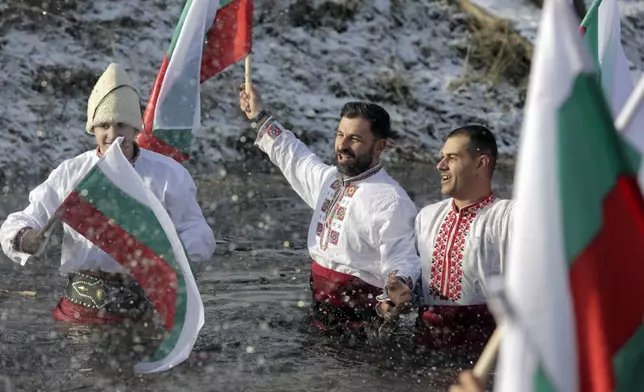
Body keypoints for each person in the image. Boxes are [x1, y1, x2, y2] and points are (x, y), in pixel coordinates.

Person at [0, 63, 216, 326]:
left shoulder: (169, 174)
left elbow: (198, 232)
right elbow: (23, 219)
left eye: (121, 125)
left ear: (136, 129)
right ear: (93, 129)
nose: (112, 135)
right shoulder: (72, 172)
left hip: (142, 311)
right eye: (103, 125)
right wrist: (25, 237)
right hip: (79, 311)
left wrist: (170, 257)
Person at [238, 84, 420, 335]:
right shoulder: (329, 180)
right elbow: (293, 155)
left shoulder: (390, 200)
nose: (342, 145)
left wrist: (399, 285)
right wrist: (258, 116)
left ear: (379, 147)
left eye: (354, 139)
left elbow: (404, 256)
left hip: (362, 322)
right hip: (321, 309)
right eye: (340, 135)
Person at [381, 125, 513, 351]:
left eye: (451, 158)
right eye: (442, 157)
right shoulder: (427, 216)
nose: (440, 165)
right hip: (426, 349)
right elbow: (418, 281)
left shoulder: (507, 217)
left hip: (484, 356)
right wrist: (399, 296)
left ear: (481, 163)